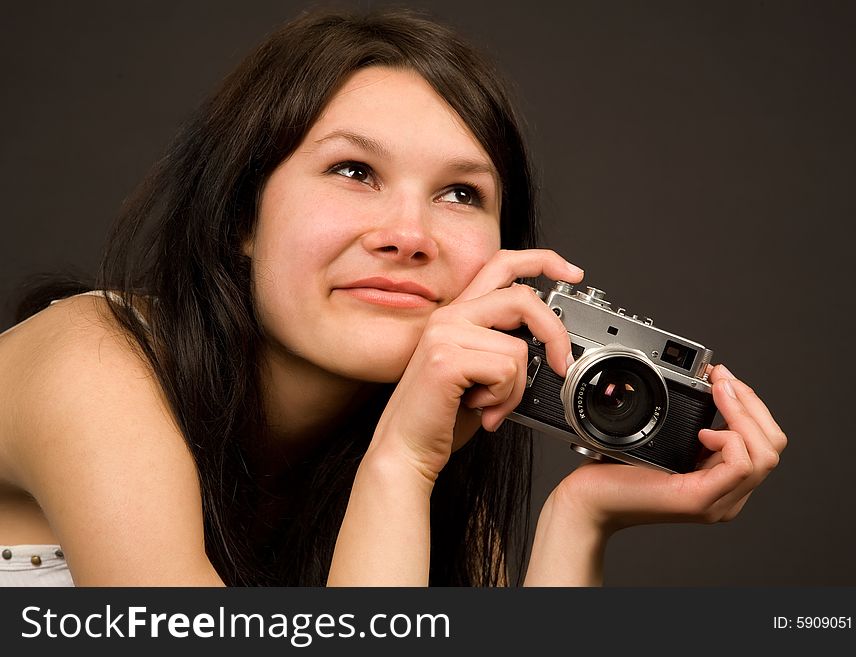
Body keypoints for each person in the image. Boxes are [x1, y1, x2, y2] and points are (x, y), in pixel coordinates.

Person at [0, 8, 785, 587]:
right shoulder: (92, 361)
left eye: (459, 194)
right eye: (353, 172)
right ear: (242, 215)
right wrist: (403, 462)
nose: (409, 234)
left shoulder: (414, 453)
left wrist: (581, 516)